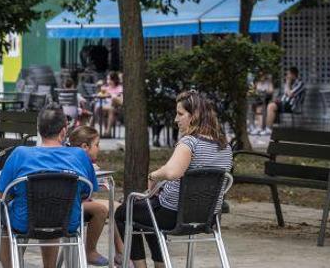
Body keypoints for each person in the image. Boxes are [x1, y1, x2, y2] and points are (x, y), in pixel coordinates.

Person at [114, 91, 232, 268]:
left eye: (180, 114)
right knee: (148, 208)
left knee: (124, 212)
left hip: (174, 215)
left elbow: (172, 172)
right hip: (208, 217)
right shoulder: (225, 146)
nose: (176, 119)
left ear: (195, 116)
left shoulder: (189, 142)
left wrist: (152, 176)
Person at [0, 106, 97, 268]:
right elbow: (87, 193)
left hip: (24, 221)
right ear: (64, 131)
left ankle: (9, 265)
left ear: (39, 130)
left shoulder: (20, 154)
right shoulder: (80, 155)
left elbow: (0, 194)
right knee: (55, 208)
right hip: (67, 222)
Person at [68, 126, 124, 267]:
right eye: (97, 145)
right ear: (85, 147)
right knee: (101, 210)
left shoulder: (86, 161)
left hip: (80, 200)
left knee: (116, 207)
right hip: (71, 203)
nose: (99, 148)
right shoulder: (76, 160)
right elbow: (89, 189)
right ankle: (90, 251)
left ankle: (121, 253)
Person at [259, 67, 303, 135]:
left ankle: (268, 129)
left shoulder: (300, 83)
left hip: (292, 106)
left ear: (293, 74)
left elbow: (290, 94)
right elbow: (285, 95)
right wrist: (278, 100)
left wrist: (288, 83)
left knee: (271, 106)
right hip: (284, 103)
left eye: (288, 74)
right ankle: (265, 128)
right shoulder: (289, 83)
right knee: (269, 104)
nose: (287, 76)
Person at [97, 72, 123, 136]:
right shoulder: (106, 88)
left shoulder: (119, 88)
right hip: (106, 106)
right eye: (107, 79)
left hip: (116, 107)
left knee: (111, 109)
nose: (108, 81)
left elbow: (120, 99)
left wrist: (111, 95)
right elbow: (100, 95)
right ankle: (107, 131)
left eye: (109, 79)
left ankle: (107, 131)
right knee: (100, 109)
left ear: (114, 80)